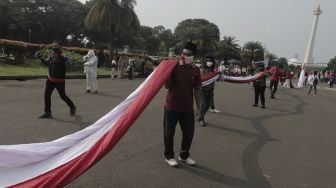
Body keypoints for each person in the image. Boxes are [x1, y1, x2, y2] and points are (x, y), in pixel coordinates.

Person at [163, 42, 201, 167]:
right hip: (172, 105)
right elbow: (167, 86)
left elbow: (197, 90)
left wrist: (198, 108)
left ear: (193, 56)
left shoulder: (196, 70)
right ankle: (169, 156)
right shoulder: (174, 66)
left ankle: (184, 155)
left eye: (188, 54)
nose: (184, 55)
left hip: (187, 107)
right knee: (169, 133)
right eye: (183, 53)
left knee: (189, 133)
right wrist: (166, 73)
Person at [36, 40, 76, 118]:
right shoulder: (52, 55)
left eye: (56, 46)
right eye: (53, 46)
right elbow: (47, 63)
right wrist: (40, 58)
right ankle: (48, 112)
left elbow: (70, 65)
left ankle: (72, 106)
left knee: (63, 96)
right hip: (50, 80)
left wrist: (66, 58)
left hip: (59, 81)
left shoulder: (63, 56)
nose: (54, 47)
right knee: (47, 95)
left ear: (60, 46)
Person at [198, 57, 218, 126]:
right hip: (203, 89)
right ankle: (201, 119)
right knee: (203, 104)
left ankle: (201, 116)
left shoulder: (214, 71)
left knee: (208, 105)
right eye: (208, 61)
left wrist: (220, 75)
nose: (209, 62)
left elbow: (217, 79)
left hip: (210, 90)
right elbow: (200, 77)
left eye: (211, 61)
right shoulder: (203, 69)